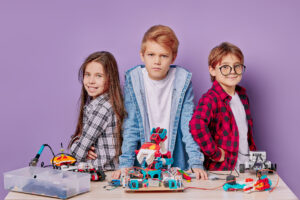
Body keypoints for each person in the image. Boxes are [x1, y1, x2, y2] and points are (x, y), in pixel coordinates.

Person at [112, 25, 207, 179]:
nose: (157, 61)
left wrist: (196, 162)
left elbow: (187, 125)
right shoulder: (134, 79)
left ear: (173, 57)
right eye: (151, 54)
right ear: (142, 55)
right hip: (144, 163)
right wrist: (126, 164)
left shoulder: (182, 80)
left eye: (163, 56)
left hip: (176, 160)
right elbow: (131, 126)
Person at [189, 42, 256, 171]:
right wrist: (214, 153)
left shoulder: (242, 96)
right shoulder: (210, 98)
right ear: (212, 70)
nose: (232, 72)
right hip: (223, 170)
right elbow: (196, 124)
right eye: (225, 67)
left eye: (237, 66)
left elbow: (244, 133)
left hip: (246, 167)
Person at [68, 51, 126, 171]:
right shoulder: (103, 104)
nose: (91, 81)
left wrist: (77, 145)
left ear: (110, 79)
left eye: (98, 76)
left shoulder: (102, 108)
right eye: (88, 74)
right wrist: (80, 143)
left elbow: (77, 154)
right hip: (102, 171)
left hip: (102, 173)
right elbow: (82, 144)